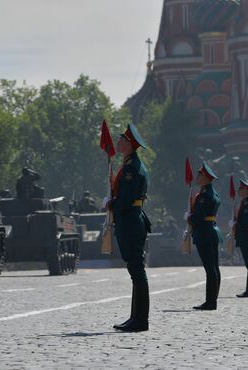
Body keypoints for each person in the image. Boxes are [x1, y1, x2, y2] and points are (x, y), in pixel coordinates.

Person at [108, 123, 151, 332]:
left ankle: (141, 320)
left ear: (129, 144)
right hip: (132, 219)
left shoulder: (131, 169)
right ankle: (136, 317)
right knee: (135, 270)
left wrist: (110, 204)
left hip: (131, 220)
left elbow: (125, 200)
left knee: (137, 270)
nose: (118, 142)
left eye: (121, 140)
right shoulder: (131, 165)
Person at [188, 162, 221, 310]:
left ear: (206, 177)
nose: (197, 177)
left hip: (204, 232)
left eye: (200, 175)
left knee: (210, 269)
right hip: (211, 231)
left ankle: (210, 301)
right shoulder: (212, 193)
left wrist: (189, 218)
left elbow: (199, 217)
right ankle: (213, 298)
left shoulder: (204, 195)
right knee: (214, 267)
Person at [234, 179, 248, 298]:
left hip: (246, 237)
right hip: (245, 237)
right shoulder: (243, 203)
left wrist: (236, 225)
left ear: (246, 191)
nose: (238, 190)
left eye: (240, 188)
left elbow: (245, 223)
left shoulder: (247, 204)